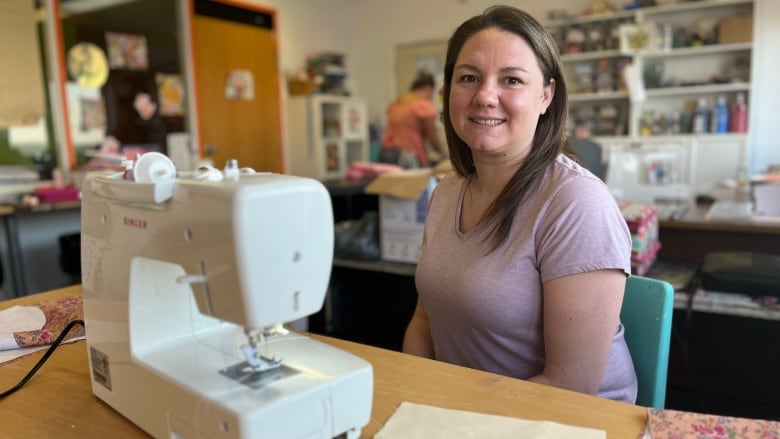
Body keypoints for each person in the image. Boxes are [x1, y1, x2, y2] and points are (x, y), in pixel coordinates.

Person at [402, 5, 637, 403]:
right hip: (467, 409)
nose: (484, 96)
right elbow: (425, 322)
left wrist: (455, 416)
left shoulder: (576, 202)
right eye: (469, 78)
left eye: (511, 79)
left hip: (570, 420)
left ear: (546, 95)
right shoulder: (448, 189)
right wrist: (415, 397)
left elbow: (571, 386)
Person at [379, 71, 446, 168]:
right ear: (429, 88)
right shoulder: (424, 106)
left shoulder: (397, 103)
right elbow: (433, 141)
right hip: (407, 158)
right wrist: (444, 155)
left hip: (385, 154)